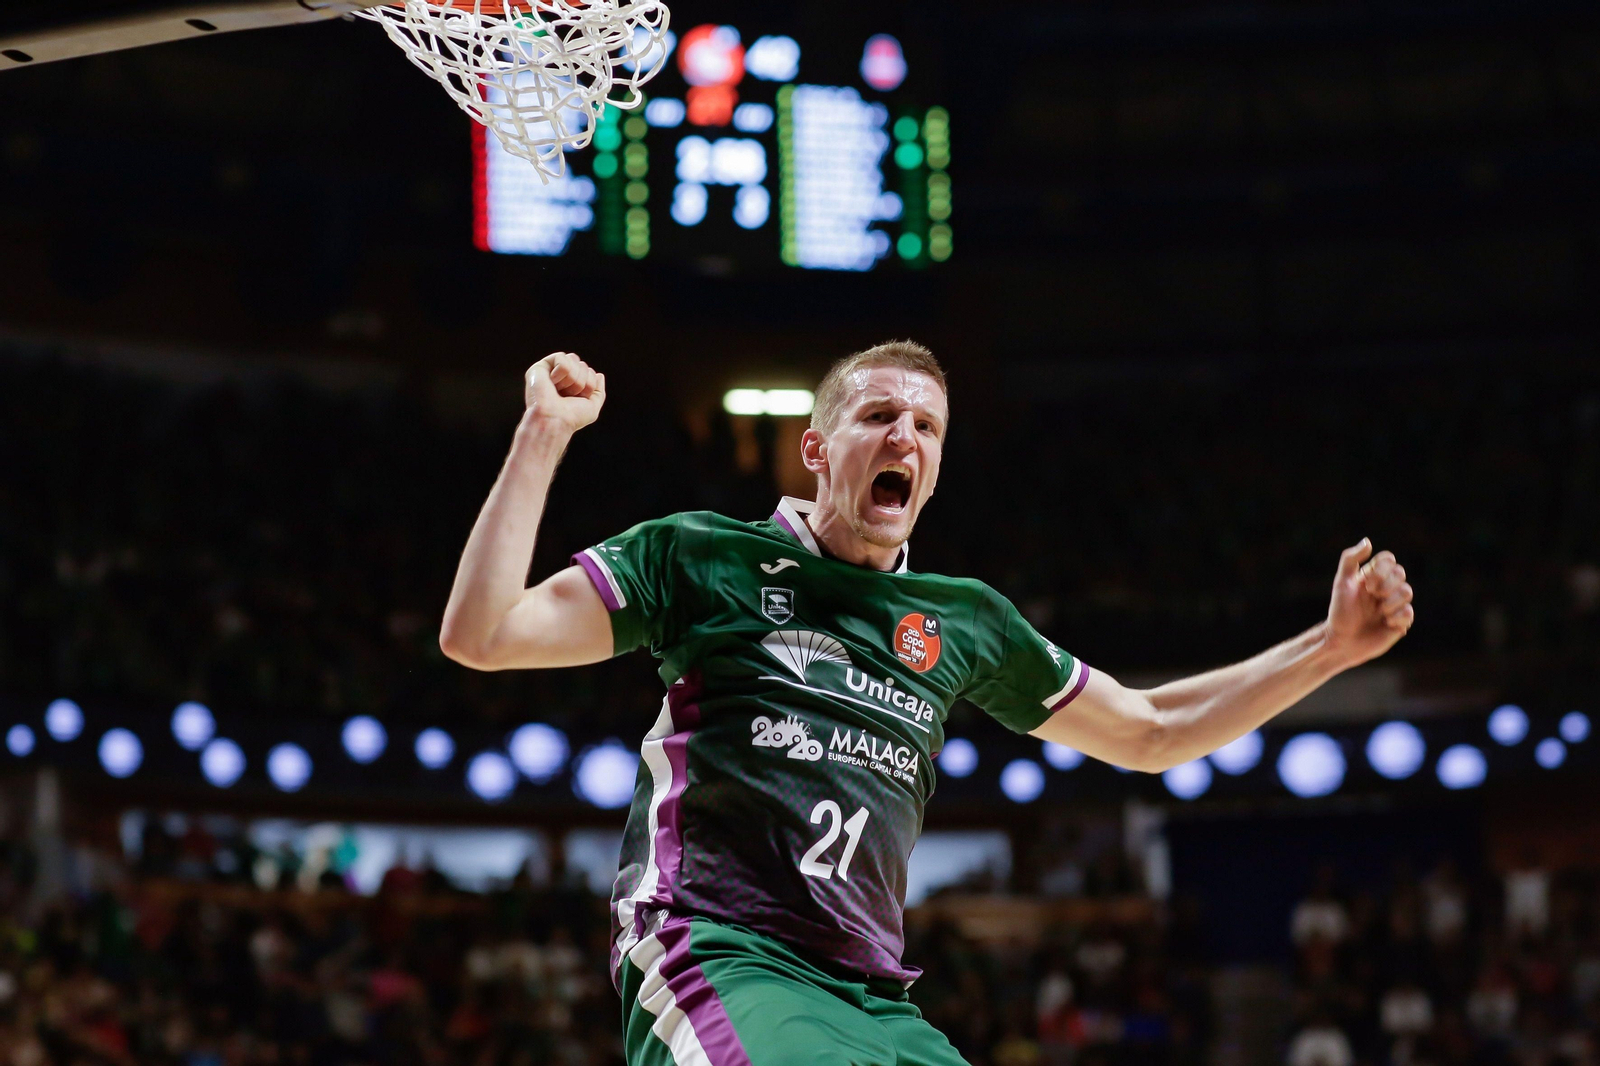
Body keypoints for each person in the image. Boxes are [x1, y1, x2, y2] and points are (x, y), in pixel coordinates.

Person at [439, 342, 1417, 1066]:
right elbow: (480, 634)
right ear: (817, 450)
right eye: (877, 417)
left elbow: (1151, 733)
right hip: (719, 950)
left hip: (874, 999)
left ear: (935, 470)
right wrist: (543, 433)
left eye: (926, 426)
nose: (903, 433)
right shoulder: (701, 556)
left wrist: (1327, 649)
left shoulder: (964, 620)